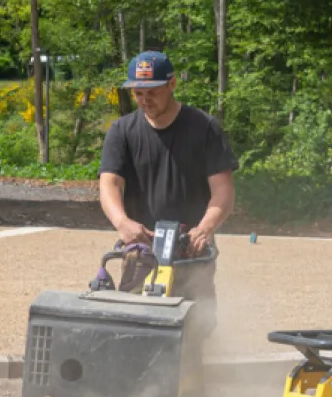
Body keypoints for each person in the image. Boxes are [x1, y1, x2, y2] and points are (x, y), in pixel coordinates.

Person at [97, 50, 237, 303]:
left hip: (191, 249)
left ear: (172, 84)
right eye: (138, 93)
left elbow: (223, 191)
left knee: (196, 326)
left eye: (152, 92)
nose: (145, 100)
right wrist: (122, 223)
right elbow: (110, 184)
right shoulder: (121, 132)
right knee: (135, 321)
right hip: (141, 249)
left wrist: (205, 229)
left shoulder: (204, 128)